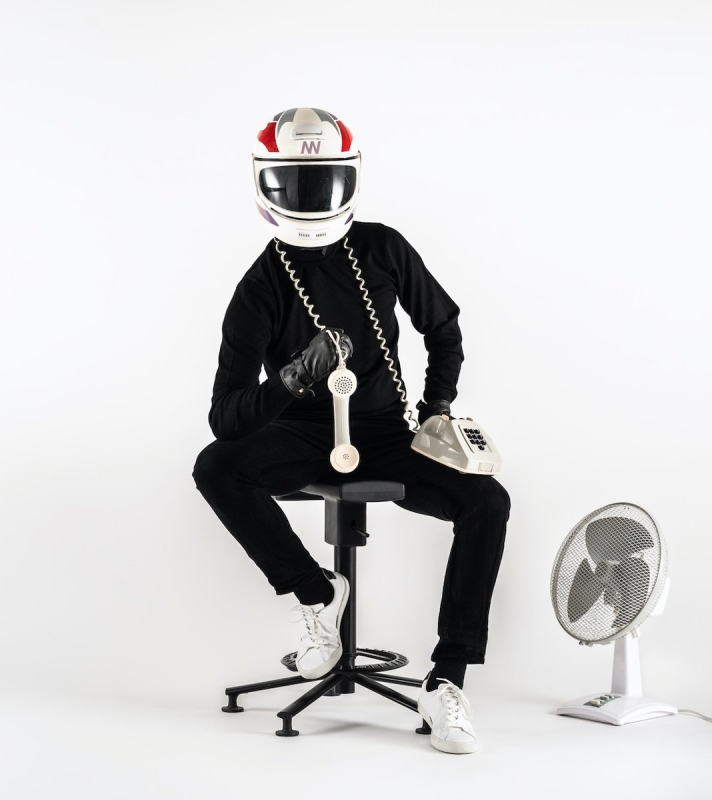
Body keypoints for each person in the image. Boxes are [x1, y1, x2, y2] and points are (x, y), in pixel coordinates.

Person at [192, 107, 511, 754]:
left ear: (350, 177)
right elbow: (226, 419)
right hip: (303, 434)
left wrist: (436, 406)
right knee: (215, 465)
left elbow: (442, 326)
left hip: (384, 433)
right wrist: (290, 380)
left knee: (488, 501)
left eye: (323, 181)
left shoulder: (383, 248)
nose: (310, 197)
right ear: (265, 184)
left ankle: (447, 680)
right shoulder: (259, 287)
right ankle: (318, 594)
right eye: (294, 183)